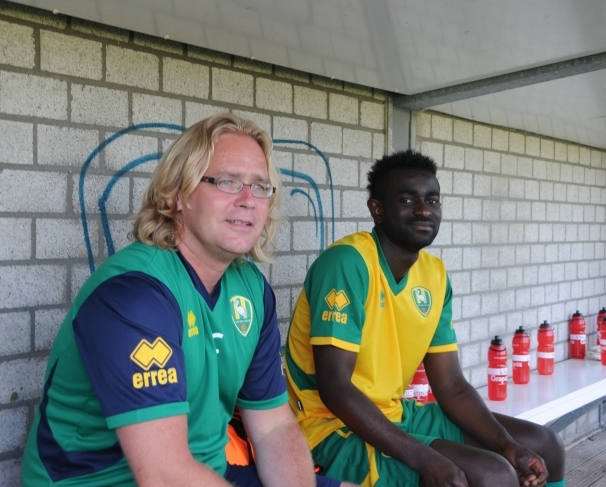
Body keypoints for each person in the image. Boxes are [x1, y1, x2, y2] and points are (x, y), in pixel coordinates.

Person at [22, 113, 352, 487]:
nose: (249, 200)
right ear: (176, 195)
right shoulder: (135, 294)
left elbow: (274, 427)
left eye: (260, 187)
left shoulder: (251, 290)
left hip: (208, 472)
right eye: (228, 182)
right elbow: (164, 476)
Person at [285, 149, 566, 487]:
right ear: (377, 209)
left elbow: (451, 386)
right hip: (328, 429)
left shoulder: (434, 274)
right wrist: (424, 457)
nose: (423, 210)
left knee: (543, 446)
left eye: (432, 200)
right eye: (407, 199)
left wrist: (508, 446)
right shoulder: (348, 263)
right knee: (491, 475)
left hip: (395, 414)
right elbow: (336, 390)